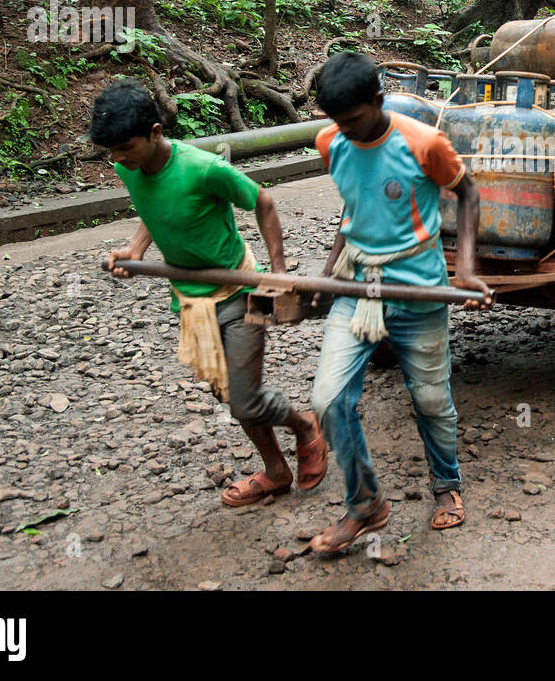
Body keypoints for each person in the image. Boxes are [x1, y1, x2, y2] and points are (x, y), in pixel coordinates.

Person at [93, 79, 327, 508]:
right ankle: (276, 472)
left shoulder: (203, 168)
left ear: (155, 133)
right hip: (190, 301)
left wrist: (277, 275)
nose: (117, 158)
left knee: (244, 399)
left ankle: (305, 426)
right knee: (230, 392)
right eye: (111, 151)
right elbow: (157, 207)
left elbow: (265, 202)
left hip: (240, 291)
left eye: (124, 147)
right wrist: (135, 249)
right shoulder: (127, 165)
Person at [307, 51, 491, 552]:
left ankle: (447, 485)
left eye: (352, 120)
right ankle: (366, 506)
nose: (342, 130)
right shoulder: (331, 141)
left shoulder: (423, 143)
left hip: (419, 288)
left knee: (431, 400)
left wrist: (467, 270)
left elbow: (468, 194)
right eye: (334, 122)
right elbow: (355, 204)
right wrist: (327, 277)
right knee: (327, 400)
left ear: (378, 101)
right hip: (357, 286)